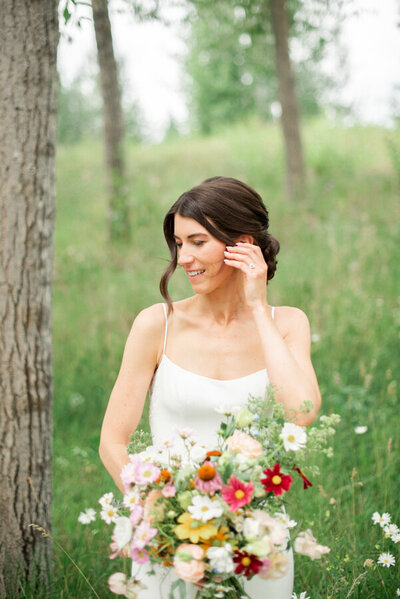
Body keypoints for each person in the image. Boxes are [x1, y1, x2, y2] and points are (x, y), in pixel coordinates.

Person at [99, 176, 321, 598]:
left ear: (241, 244)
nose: (183, 258)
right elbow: (112, 441)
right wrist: (159, 514)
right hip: (171, 539)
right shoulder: (155, 324)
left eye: (197, 242)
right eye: (179, 244)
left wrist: (257, 307)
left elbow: (302, 411)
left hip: (256, 539)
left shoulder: (288, 324)